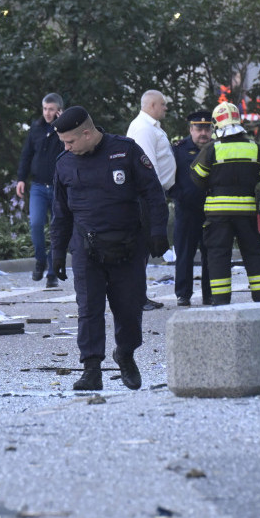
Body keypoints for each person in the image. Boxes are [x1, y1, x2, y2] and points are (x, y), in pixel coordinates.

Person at [50, 106, 169, 392]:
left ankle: (125, 353)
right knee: (88, 309)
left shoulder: (125, 151)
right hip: (86, 248)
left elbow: (153, 193)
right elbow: (60, 213)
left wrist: (158, 232)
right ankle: (91, 369)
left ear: (87, 133)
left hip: (127, 245)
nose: (66, 147)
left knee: (128, 309)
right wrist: (56, 253)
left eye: (70, 142)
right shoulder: (64, 163)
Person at [191, 102, 260, 306]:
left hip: (218, 214)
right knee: (254, 253)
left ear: (217, 125)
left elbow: (197, 177)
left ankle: (221, 299)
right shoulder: (254, 147)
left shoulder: (212, 149)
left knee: (218, 255)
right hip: (248, 213)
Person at [126, 89, 176, 311]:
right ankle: (137, 297)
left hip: (151, 194)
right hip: (146, 196)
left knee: (144, 248)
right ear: (152, 105)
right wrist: (155, 198)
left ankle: (138, 296)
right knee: (141, 248)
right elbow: (148, 167)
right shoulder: (143, 129)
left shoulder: (150, 127)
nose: (165, 108)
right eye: (163, 104)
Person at [15, 92, 64, 289]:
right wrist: (20, 178)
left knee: (57, 230)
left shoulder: (64, 129)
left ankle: (52, 272)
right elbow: (27, 154)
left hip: (58, 187)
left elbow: (70, 150)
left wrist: (62, 125)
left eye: (51, 109)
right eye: (45, 108)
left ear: (59, 110)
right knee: (35, 223)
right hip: (37, 186)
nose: (47, 113)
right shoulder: (36, 128)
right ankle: (40, 261)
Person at [170, 109, 214, 306]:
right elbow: (168, 177)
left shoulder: (216, 148)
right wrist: (177, 196)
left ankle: (210, 294)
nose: (203, 133)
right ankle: (183, 293)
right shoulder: (178, 149)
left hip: (212, 211)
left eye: (207, 128)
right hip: (187, 211)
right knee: (184, 253)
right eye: (198, 128)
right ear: (191, 129)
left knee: (211, 254)